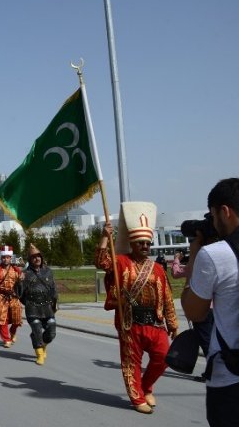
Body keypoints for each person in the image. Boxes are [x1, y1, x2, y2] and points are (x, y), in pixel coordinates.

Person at [96, 202, 179, 414]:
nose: (144, 246)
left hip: (155, 322)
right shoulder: (121, 261)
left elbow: (167, 297)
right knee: (131, 363)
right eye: (140, 243)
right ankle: (137, 398)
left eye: (147, 243)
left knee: (164, 357)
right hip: (130, 322)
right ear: (132, 244)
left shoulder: (158, 268)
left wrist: (173, 324)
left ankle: (146, 386)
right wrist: (106, 236)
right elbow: (101, 262)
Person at [181, 178, 239, 427]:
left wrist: (194, 255)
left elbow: (195, 312)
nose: (213, 223)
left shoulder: (216, 254)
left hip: (231, 379)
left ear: (224, 211)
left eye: (213, 216)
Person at [16, 244, 58, 365]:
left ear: (41, 258)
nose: (37, 259)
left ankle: (42, 342)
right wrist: (19, 282)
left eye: (38, 256)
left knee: (51, 331)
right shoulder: (25, 274)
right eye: (34, 257)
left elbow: (53, 289)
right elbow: (19, 293)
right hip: (32, 307)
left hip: (47, 307)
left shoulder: (48, 272)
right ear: (30, 259)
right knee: (37, 329)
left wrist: (55, 303)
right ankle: (39, 353)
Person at [0, 246, 23, 348]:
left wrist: (22, 278)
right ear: (1, 258)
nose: (6, 259)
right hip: (1, 296)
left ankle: (12, 332)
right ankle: (6, 339)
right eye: (4, 257)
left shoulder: (16, 269)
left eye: (8, 257)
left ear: (10, 258)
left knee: (17, 319)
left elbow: (21, 282)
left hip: (13, 297)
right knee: (2, 319)